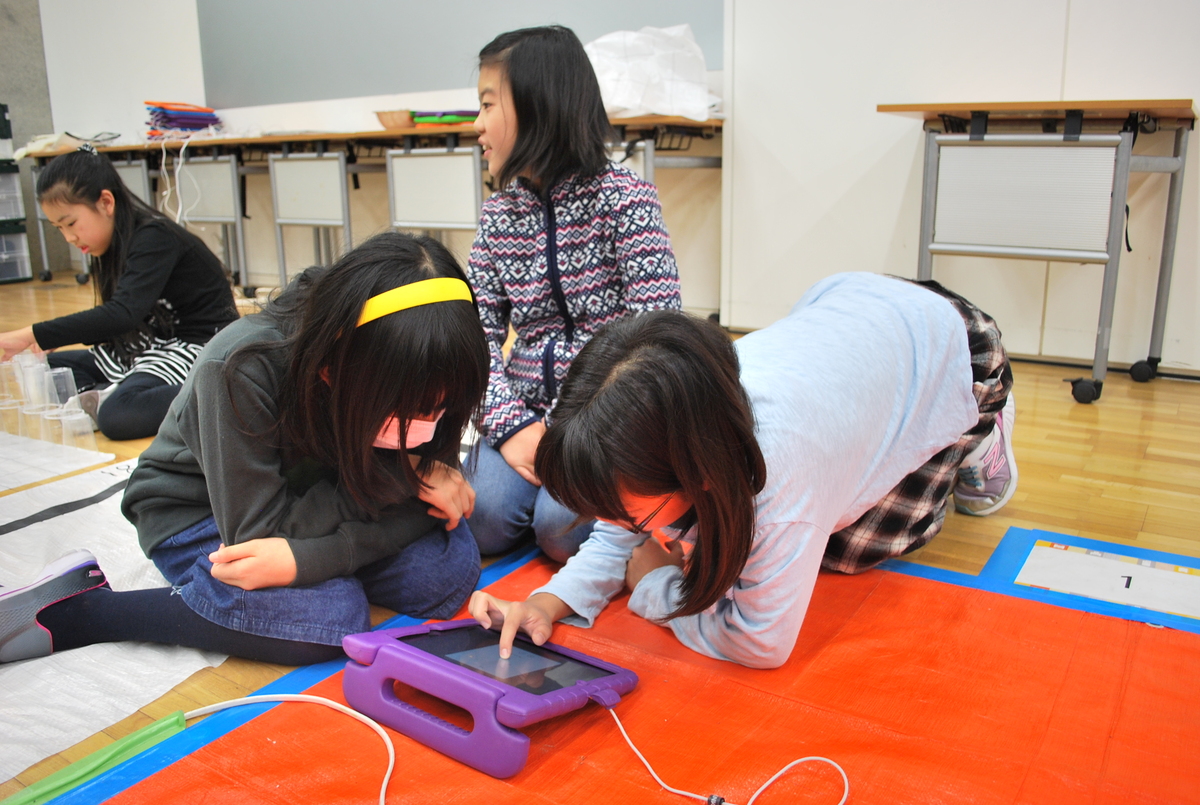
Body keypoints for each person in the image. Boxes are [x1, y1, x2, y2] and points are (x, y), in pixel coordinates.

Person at [468, 272, 1018, 669]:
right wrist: (547, 603)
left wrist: (652, 584)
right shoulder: (683, 418)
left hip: (954, 349)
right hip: (851, 307)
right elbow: (619, 529)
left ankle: (981, 435)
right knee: (744, 548)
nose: (612, 522)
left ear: (696, 472)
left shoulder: (781, 484)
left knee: (845, 551)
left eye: (624, 511)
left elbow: (761, 641)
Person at [0, 232, 490, 666]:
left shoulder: (414, 360)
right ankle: (85, 611)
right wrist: (396, 488)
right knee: (329, 617)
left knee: (444, 574)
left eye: (441, 408)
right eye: (411, 410)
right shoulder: (240, 366)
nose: (428, 426)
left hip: (328, 499)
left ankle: (302, 584)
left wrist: (319, 555)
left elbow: (429, 500)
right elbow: (260, 533)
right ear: (331, 370)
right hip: (203, 514)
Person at [465, 25, 683, 564]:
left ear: (538, 105)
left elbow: (658, 341)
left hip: (600, 419)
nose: (477, 125)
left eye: (488, 105)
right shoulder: (497, 216)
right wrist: (511, 427)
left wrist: (575, 429)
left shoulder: (627, 200)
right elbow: (472, 338)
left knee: (560, 530)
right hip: (522, 411)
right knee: (484, 517)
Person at [0, 145, 238, 440]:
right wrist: (50, 338)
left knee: (119, 415)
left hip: (198, 348)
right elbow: (123, 319)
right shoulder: (113, 242)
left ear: (106, 202)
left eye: (71, 223)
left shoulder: (155, 237)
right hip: (150, 345)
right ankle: (106, 395)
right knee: (48, 369)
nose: (69, 237)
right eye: (59, 228)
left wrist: (32, 334)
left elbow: (123, 314)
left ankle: (228, 391)